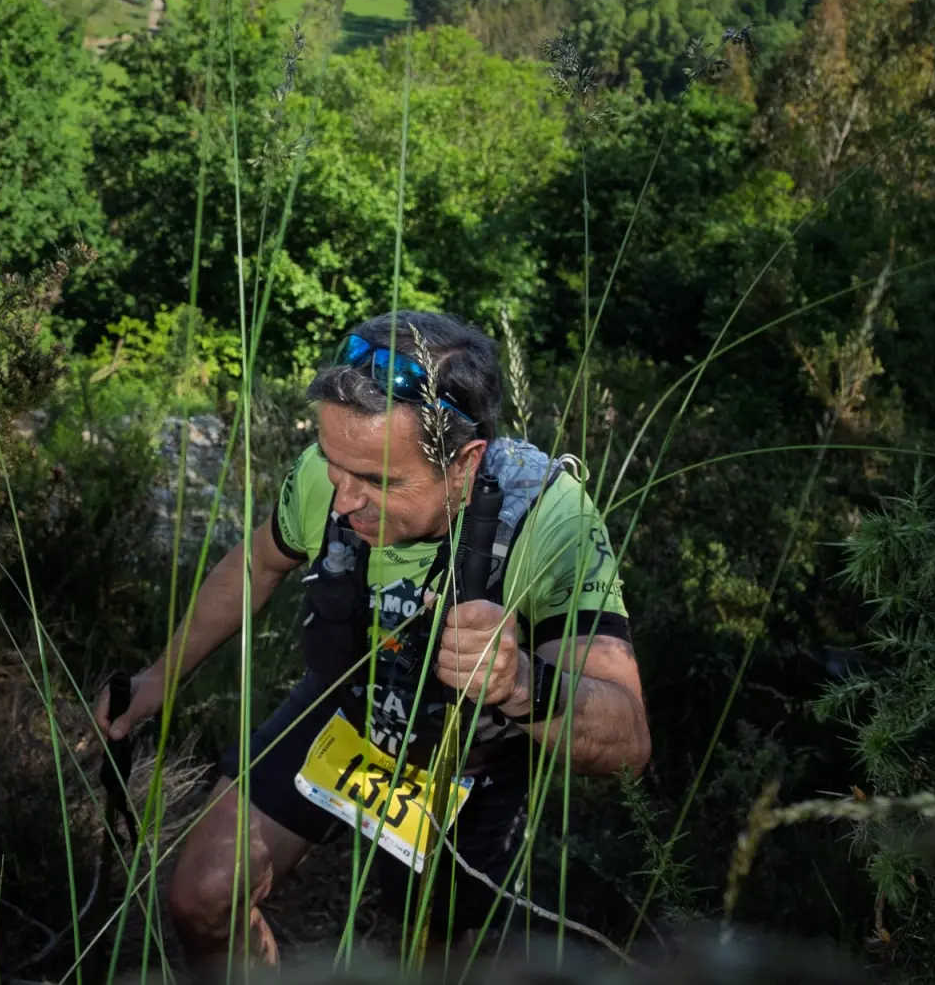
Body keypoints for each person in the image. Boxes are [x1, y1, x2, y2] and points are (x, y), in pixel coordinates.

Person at [93, 310, 649, 969]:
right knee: (202, 898)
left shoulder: (550, 519)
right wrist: (162, 676)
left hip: (467, 759)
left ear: (466, 463)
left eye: (381, 480)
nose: (345, 499)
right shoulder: (332, 476)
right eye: (334, 463)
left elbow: (629, 741)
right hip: (345, 708)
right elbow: (259, 561)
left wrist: (521, 683)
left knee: (428, 955)